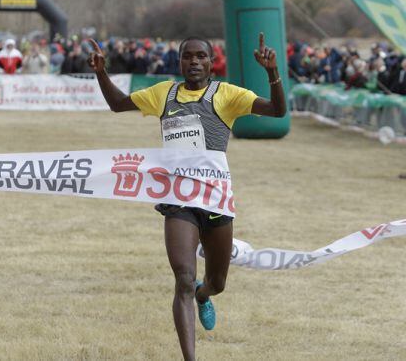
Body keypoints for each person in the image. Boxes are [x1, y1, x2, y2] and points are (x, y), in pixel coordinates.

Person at [88, 33, 286, 361]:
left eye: (201, 56)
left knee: (216, 282)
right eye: (187, 56)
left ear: (211, 62)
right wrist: (100, 73)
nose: (194, 62)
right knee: (183, 277)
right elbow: (117, 104)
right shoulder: (164, 93)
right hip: (178, 197)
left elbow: (277, 111)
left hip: (215, 197)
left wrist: (272, 73)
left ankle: (204, 296)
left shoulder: (227, 95)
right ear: (179, 62)